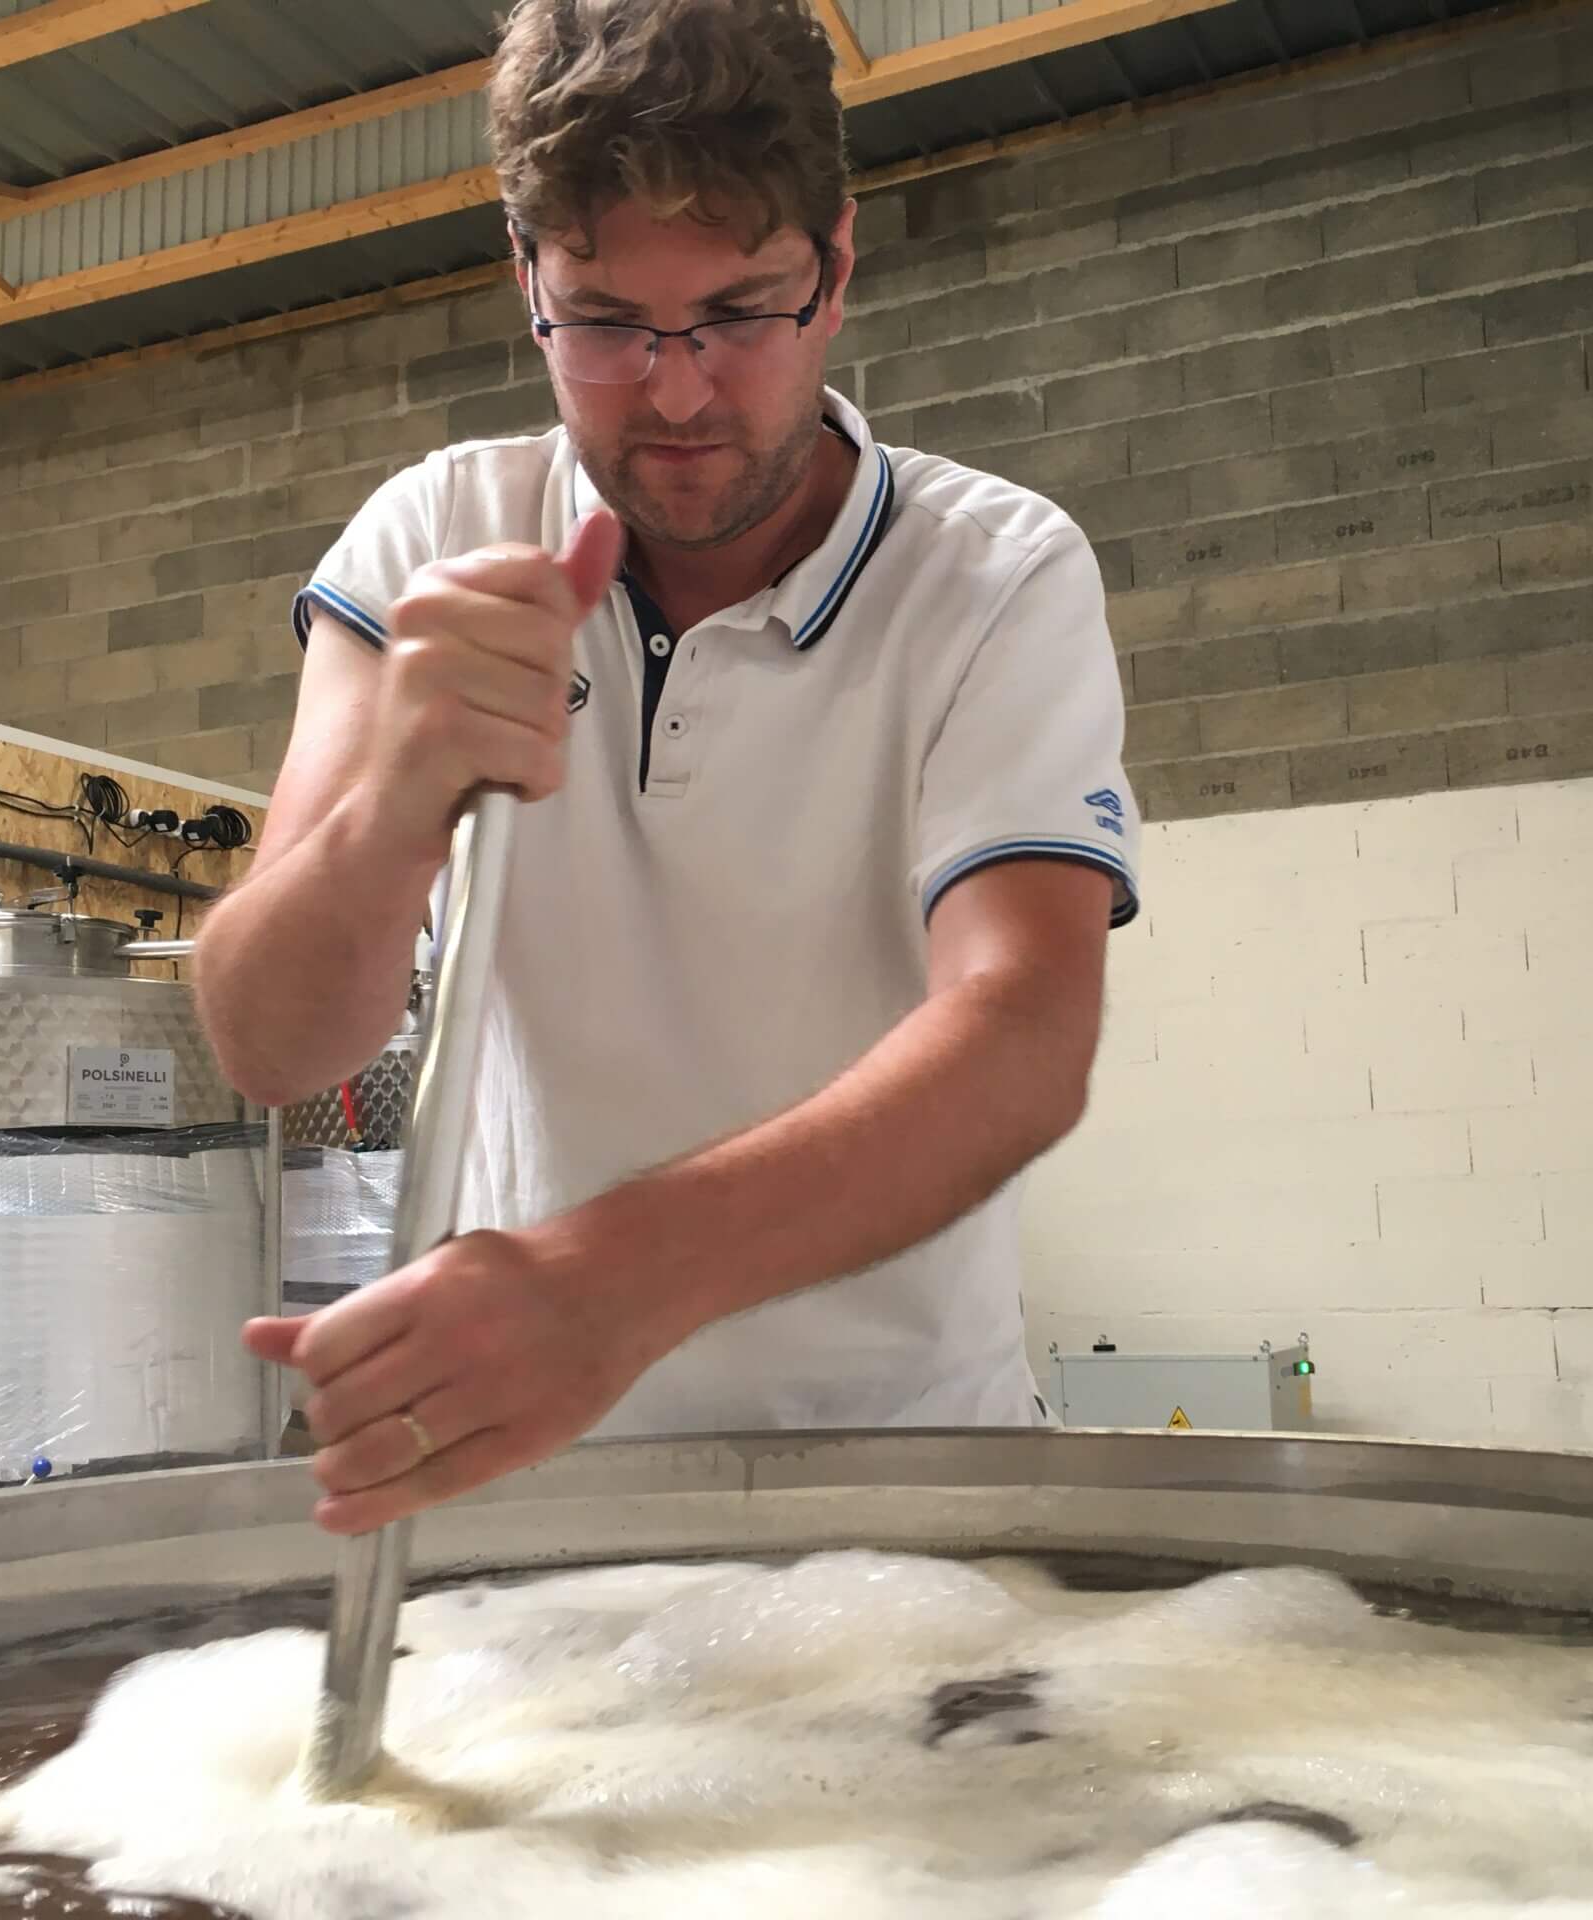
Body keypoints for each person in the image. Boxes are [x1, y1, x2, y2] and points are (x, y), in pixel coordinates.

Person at [194, 0, 1141, 1537]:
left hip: (910, 1497)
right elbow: (269, 1045)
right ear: (527, 279)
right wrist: (389, 817)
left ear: (836, 269)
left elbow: (1023, 1033)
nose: (681, 392)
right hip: (544, 1501)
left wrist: (607, 1284)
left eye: (740, 313)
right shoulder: (436, 541)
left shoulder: (993, 575)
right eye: (608, 322)